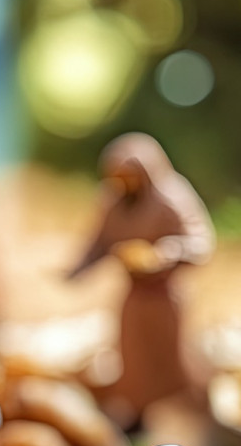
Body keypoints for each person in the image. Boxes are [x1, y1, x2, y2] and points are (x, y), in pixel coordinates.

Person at [69, 133, 215, 429]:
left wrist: (167, 253)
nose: (124, 184)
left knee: (171, 358)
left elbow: (201, 241)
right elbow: (100, 241)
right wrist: (78, 268)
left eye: (130, 177)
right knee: (133, 358)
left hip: (165, 294)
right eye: (118, 178)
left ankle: (193, 416)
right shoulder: (115, 201)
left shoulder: (171, 197)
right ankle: (137, 413)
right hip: (134, 295)